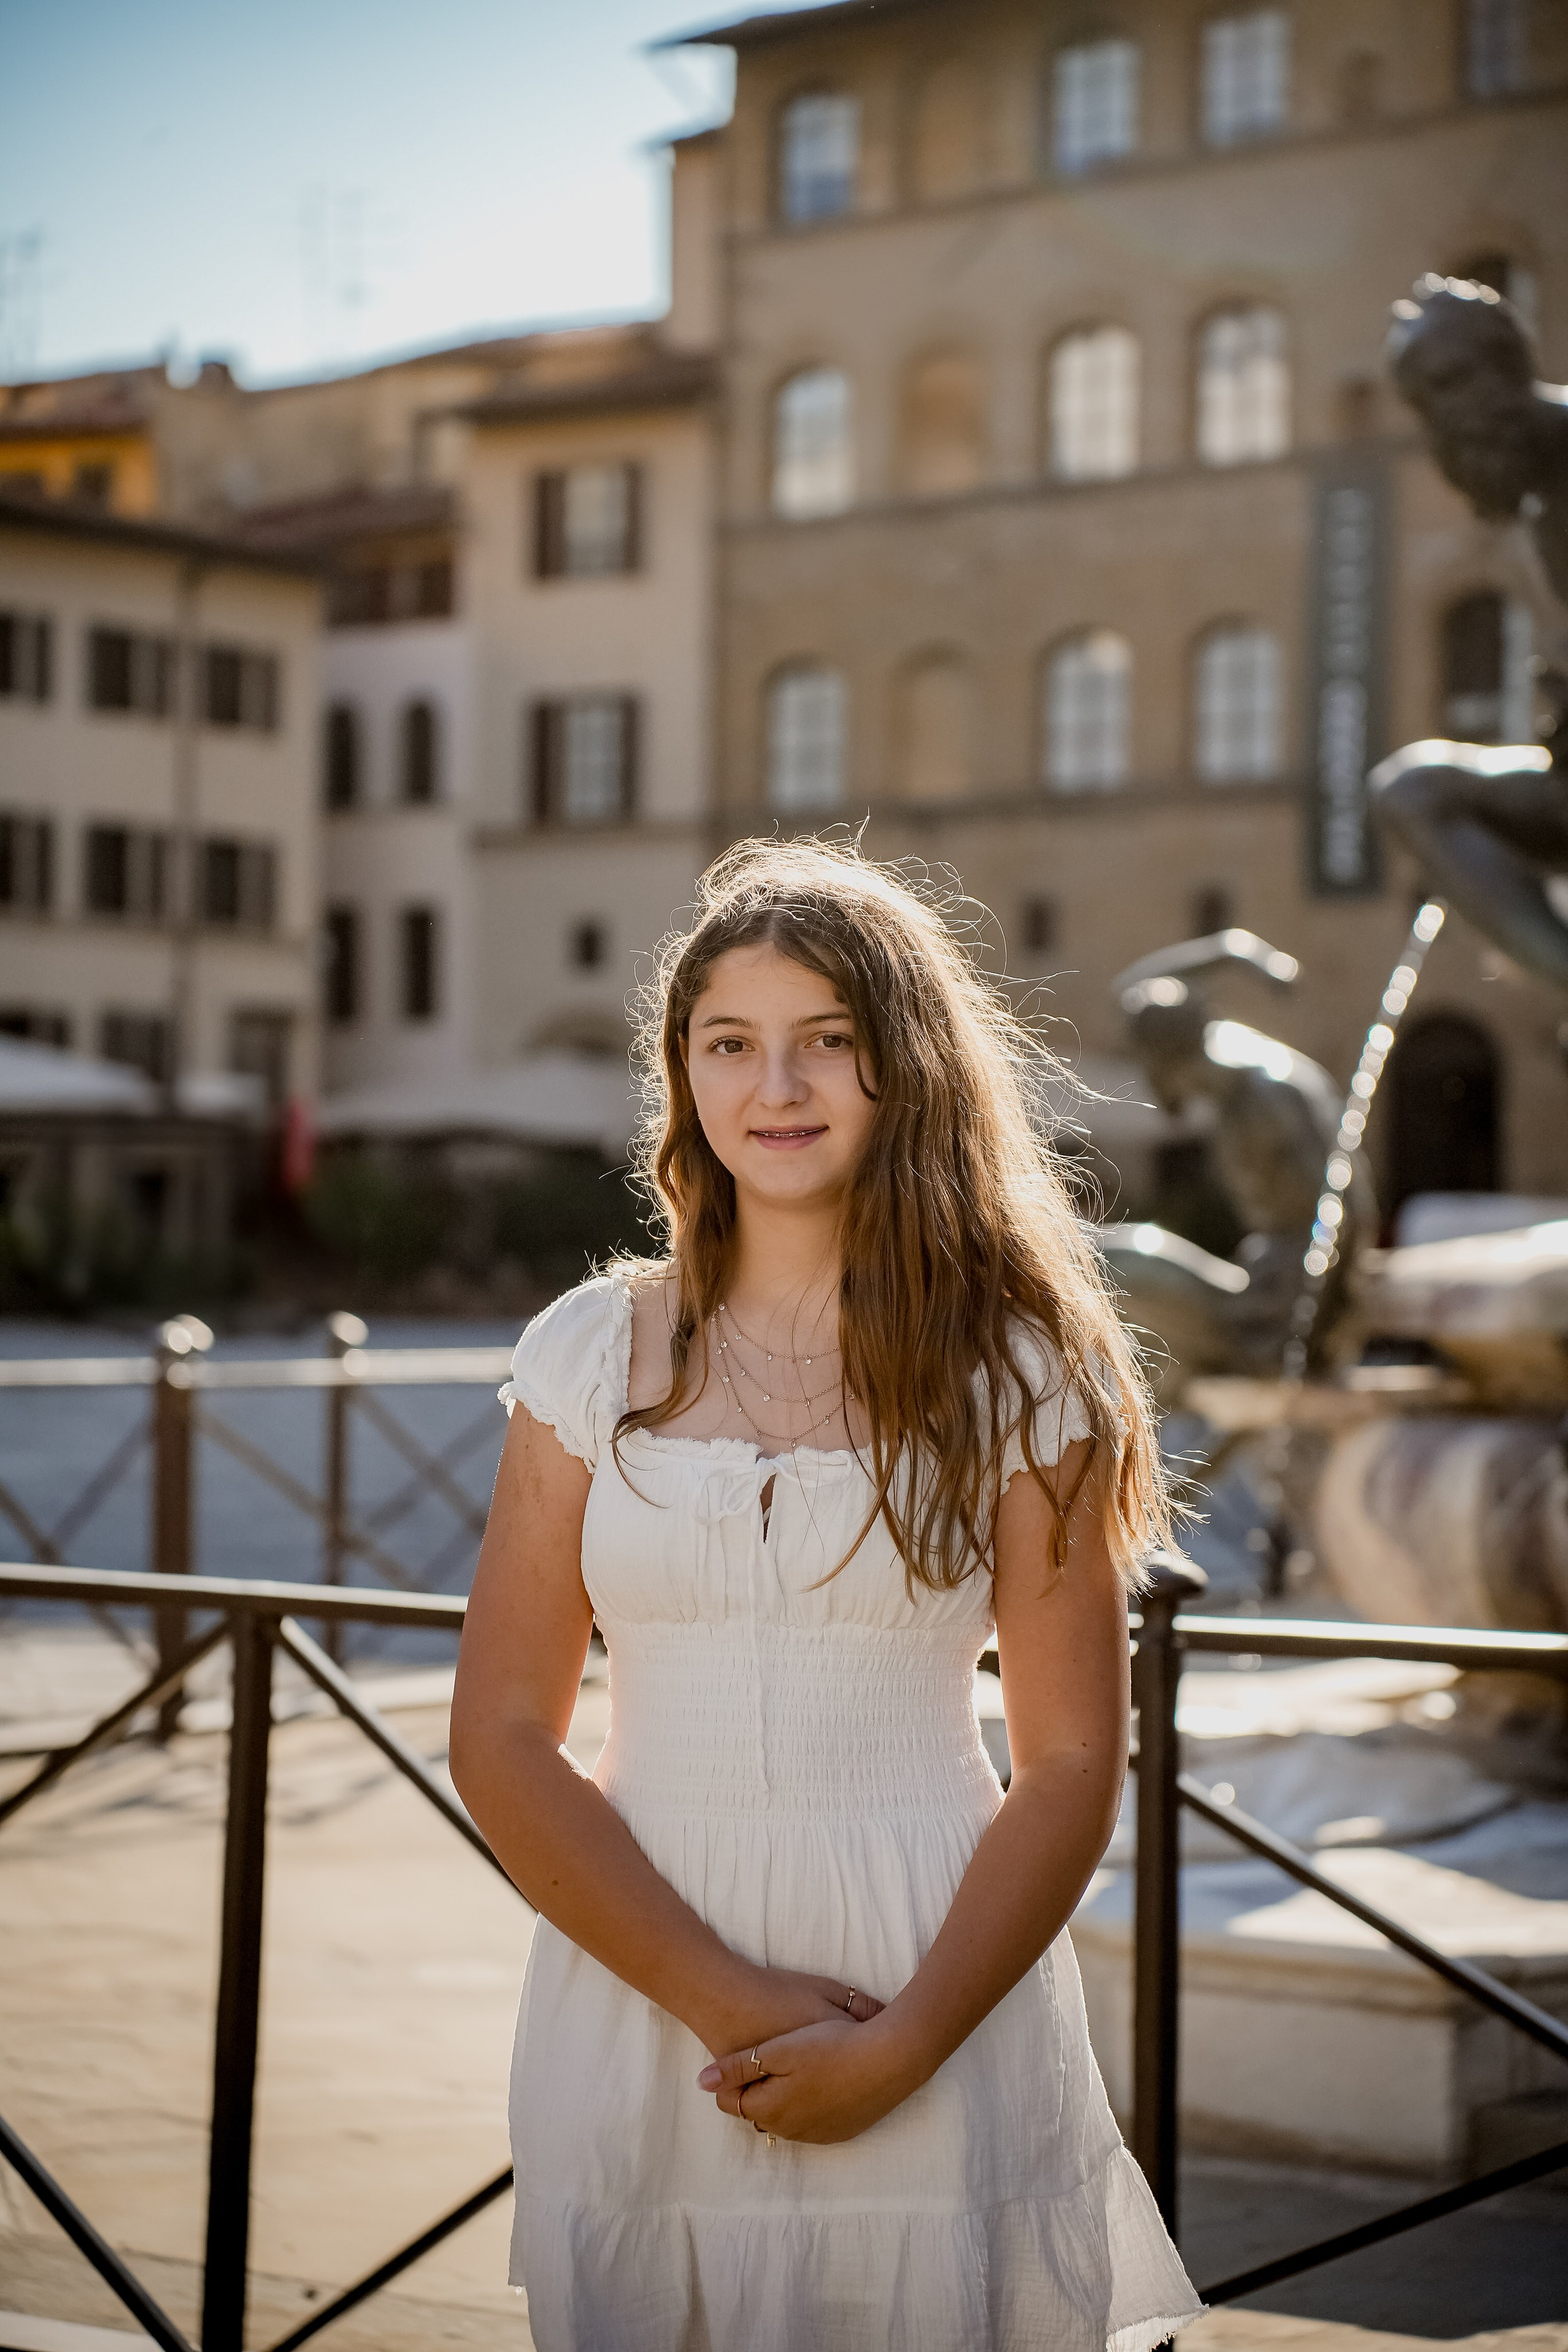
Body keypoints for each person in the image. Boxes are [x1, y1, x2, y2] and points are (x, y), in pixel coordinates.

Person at [450, 839, 1202, 2351]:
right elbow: (502, 1739)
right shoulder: (589, 1355)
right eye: (730, 1044)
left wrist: (907, 2041)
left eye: (826, 1044)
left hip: (928, 1971)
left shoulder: (1019, 1371)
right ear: (684, 1077)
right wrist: (726, 2000)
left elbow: (1066, 1762)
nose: (773, 1087)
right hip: (641, 1982)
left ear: (901, 1070)